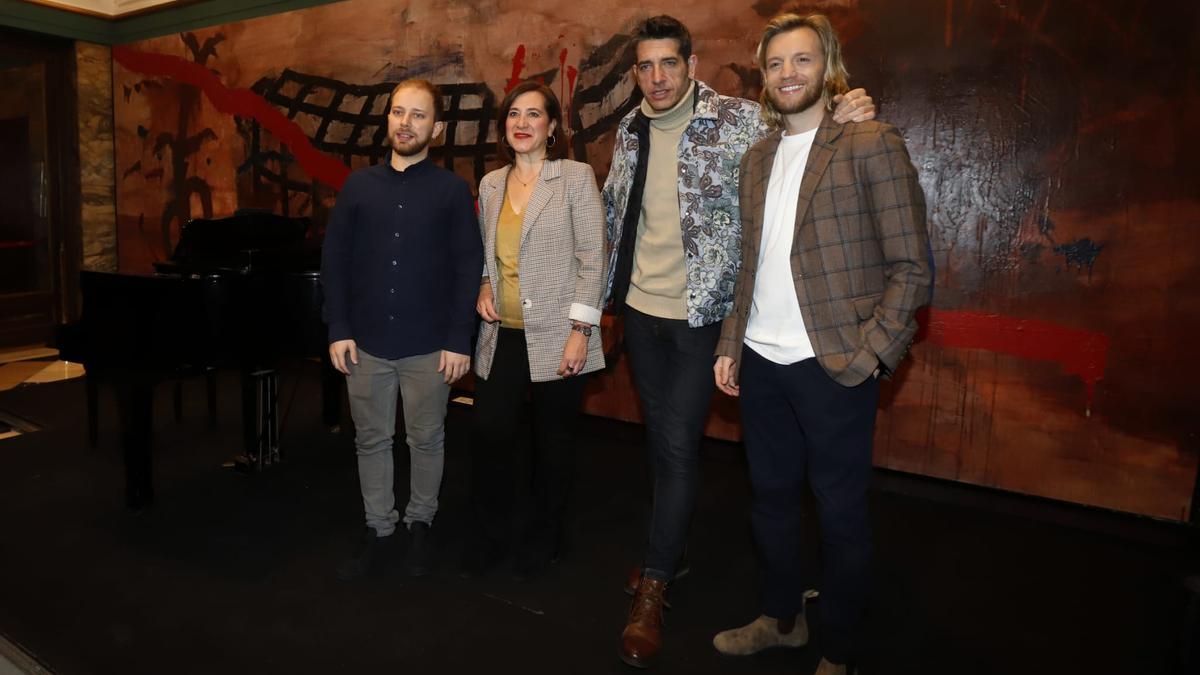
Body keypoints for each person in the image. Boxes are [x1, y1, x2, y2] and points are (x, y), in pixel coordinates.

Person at [602, 15, 876, 668]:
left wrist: (847, 110)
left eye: (669, 63)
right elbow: (620, 211)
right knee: (659, 439)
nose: (658, 77)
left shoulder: (738, 119)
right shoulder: (629, 129)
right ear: (635, 73)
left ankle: (657, 581)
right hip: (641, 313)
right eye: (645, 66)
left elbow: (803, 132)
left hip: (706, 317)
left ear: (691, 65)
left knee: (675, 442)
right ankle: (677, 546)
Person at [710, 13, 933, 675]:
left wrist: (870, 356)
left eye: (801, 60)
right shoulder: (756, 160)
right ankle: (782, 618)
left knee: (840, 516)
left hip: (833, 366)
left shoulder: (869, 142)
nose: (787, 74)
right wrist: (730, 342)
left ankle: (838, 647)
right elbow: (751, 263)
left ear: (828, 66)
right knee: (770, 504)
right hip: (760, 362)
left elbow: (912, 267)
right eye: (775, 63)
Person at [321, 78, 483, 580]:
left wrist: (460, 339)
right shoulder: (357, 186)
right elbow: (336, 261)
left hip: (429, 348)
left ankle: (419, 524)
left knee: (426, 439)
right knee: (370, 439)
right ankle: (379, 527)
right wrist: (338, 327)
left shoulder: (453, 191)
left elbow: (466, 267)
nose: (405, 123)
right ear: (387, 120)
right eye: (397, 112)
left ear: (435, 128)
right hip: (364, 343)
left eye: (417, 115)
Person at [463, 81, 607, 581]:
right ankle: (494, 533)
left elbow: (594, 259)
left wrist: (580, 330)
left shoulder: (574, 177)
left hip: (559, 334)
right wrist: (484, 283)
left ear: (551, 127)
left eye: (533, 114)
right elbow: (489, 254)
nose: (521, 123)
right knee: (490, 432)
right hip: (501, 333)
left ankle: (545, 535)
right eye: (513, 115)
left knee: (553, 442)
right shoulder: (489, 184)